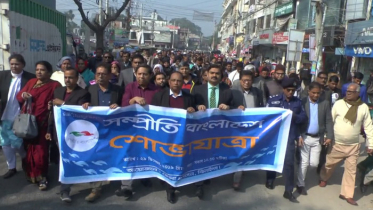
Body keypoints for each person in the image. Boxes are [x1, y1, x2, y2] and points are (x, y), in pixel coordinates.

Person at [319, 83, 373, 206]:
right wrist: (328, 136)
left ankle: (347, 194)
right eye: (347, 91)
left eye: (351, 91)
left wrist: (371, 144)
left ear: (358, 93)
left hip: (353, 146)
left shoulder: (363, 107)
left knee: (351, 170)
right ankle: (323, 178)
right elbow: (330, 121)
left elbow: (368, 127)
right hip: (336, 144)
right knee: (329, 164)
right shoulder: (338, 104)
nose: (348, 93)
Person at [45, 68, 91, 203]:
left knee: (72, 160)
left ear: (77, 79)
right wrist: (49, 130)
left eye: (71, 77)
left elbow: (78, 113)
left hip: (75, 133)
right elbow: (53, 114)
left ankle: (77, 184)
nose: (67, 80)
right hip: (59, 132)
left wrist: (64, 104)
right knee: (63, 161)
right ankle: (64, 190)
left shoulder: (83, 93)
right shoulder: (58, 91)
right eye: (65, 77)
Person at [151, 71, 196, 203]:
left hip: (182, 137)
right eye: (174, 80)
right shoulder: (159, 96)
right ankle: (170, 189)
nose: (176, 83)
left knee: (179, 160)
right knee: (167, 161)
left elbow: (194, 115)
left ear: (183, 83)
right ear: (169, 81)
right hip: (165, 137)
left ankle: (179, 182)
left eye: (179, 81)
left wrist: (192, 111)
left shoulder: (189, 97)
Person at [16, 61, 62, 190]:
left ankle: (43, 177)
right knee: (28, 149)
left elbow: (58, 100)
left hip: (43, 123)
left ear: (49, 72)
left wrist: (52, 103)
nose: (39, 72)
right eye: (37, 69)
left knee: (41, 152)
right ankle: (31, 174)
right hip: (28, 123)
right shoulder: (31, 82)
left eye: (42, 70)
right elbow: (19, 96)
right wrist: (24, 95)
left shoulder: (55, 85)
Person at [82, 63, 123, 202]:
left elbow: (125, 106)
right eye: (98, 74)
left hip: (114, 130)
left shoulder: (117, 90)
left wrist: (119, 107)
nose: (100, 76)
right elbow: (83, 103)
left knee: (116, 155)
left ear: (110, 76)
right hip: (95, 130)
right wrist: (85, 105)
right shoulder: (89, 89)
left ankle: (120, 182)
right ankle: (96, 189)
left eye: (103, 74)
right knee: (96, 158)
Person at [117, 64, 159, 198]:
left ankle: (144, 177)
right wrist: (133, 99)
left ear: (150, 75)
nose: (142, 76)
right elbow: (123, 105)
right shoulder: (130, 87)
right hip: (131, 128)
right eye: (139, 74)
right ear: (135, 74)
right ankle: (126, 186)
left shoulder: (157, 90)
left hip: (149, 129)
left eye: (145, 74)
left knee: (146, 153)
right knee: (129, 154)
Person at [266, 77, 307, 203]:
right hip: (274, 135)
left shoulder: (298, 102)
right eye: (288, 90)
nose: (290, 92)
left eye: (293, 90)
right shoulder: (273, 101)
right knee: (273, 159)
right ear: (283, 89)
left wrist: (293, 116)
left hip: (289, 136)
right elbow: (266, 116)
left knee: (289, 163)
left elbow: (303, 118)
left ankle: (288, 191)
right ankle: (270, 178)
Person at [0, 54, 35, 179]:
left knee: (18, 142)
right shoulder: (2, 75)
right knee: (5, 143)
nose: (14, 66)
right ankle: (11, 167)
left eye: (17, 64)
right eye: (12, 64)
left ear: (23, 65)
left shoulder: (30, 78)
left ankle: (27, 161)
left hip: (20, 116)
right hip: (4, 115)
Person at [296, 82, 334, 196]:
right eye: (314, 93)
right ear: (309, 91)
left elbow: (328, 121)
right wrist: (298, 135)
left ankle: (300, 176)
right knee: (304, 162)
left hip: (318, 138)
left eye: (318, 93)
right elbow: (297, 121)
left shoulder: (325, 103)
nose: (316, 95)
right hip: (305, 136)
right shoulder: (302, 102)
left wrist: (330, 136)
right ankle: (300, 184)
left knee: (313, 163)